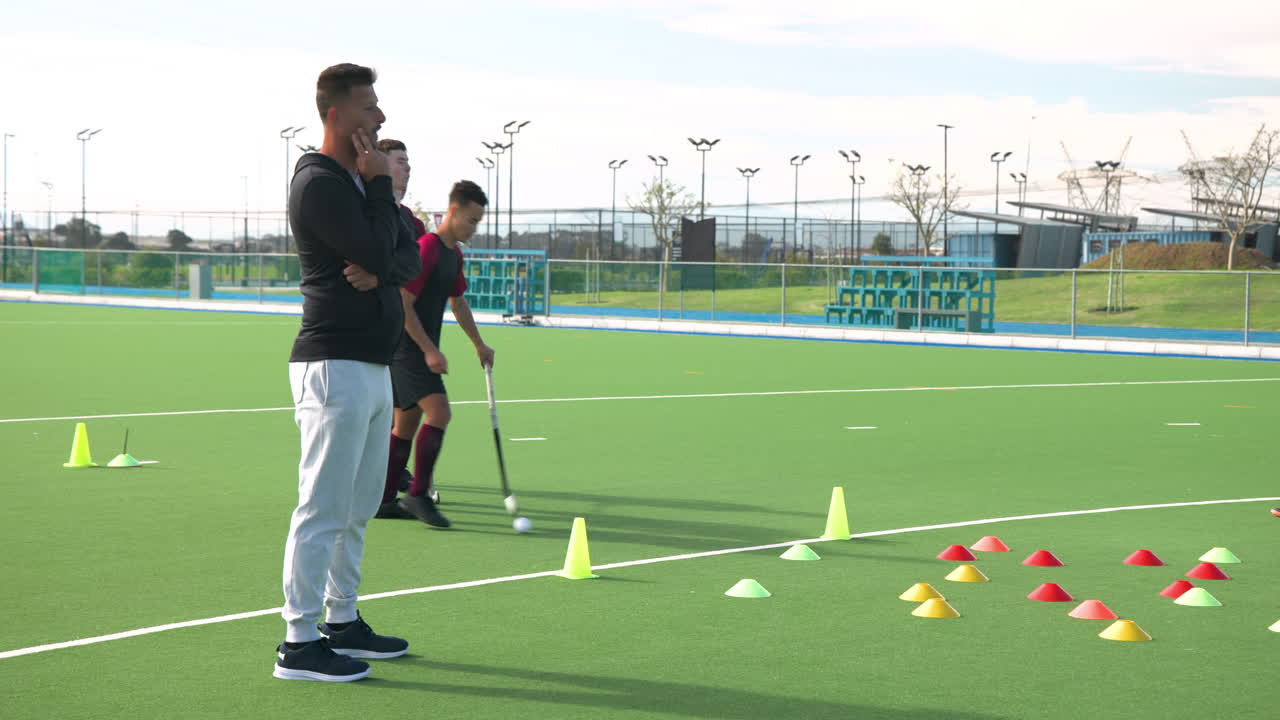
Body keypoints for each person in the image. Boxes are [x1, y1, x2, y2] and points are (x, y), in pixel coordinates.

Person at [275, 63, 421, 683]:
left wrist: (383, 264)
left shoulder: (360, 182)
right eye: (370, 106)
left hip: (371, 363)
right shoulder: (320, 181)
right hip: (332, 363)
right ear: (336, 114)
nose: (380, 117)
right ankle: (298, 641)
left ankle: (341, 619)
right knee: (323, 506)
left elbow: (403, 254)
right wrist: (382, 195)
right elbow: (371, 249)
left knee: (358, 505)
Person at [385, 180, 494, 528]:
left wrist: (478, 343)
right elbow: (403, 303)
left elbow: (458, 301)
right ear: (453, 212)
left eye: (479, 221)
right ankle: (417, 495)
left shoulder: (453, 254)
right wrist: (430, 350)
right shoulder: (427, 248)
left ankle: (383, 497)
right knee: (440, 412)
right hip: (408, 348)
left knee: (405, 426)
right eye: (471, 220)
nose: (474, 227)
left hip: (418, 347)